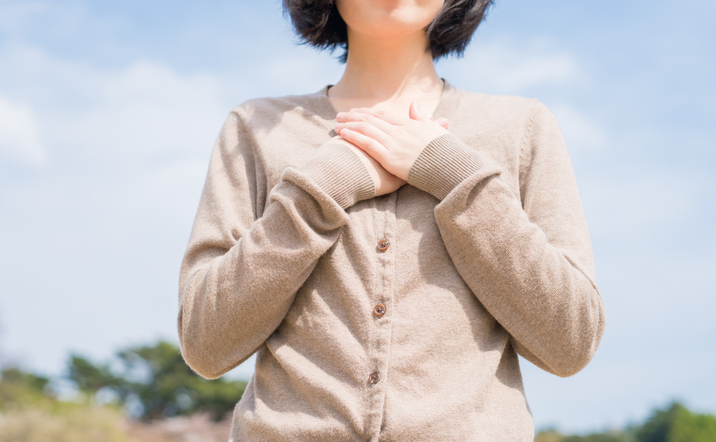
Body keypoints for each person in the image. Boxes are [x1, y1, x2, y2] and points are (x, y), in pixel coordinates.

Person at [177, 0, 606, 440]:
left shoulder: (521, 127)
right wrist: (321, 188)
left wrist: (454, 174)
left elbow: (571, 342)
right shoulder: (255, 127)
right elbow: (205, 343)